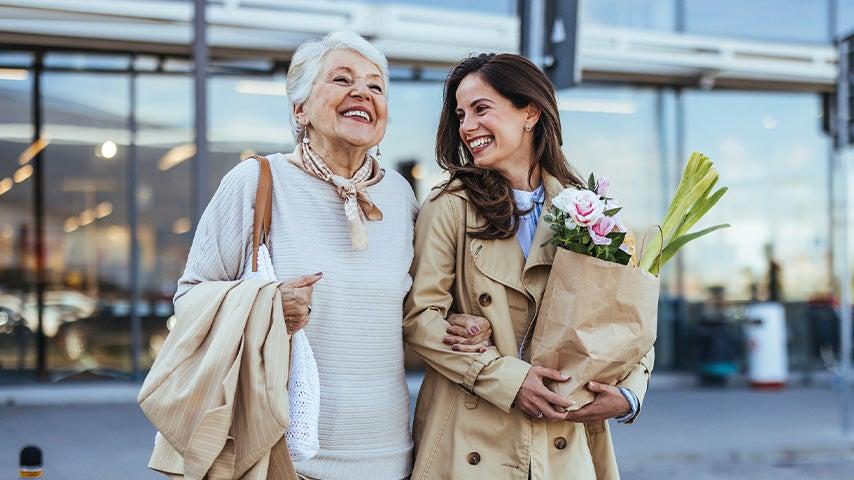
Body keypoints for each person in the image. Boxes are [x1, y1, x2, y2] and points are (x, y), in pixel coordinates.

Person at [174, 31, 487, 480]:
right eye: (341, 79)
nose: (362, 92)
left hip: (389, 457)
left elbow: (416, 311)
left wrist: (456, 324)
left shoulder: (401, 198)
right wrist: (264, 304)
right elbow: (189, 302)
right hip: (278, 458)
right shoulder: (255, 183)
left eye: (376, 86)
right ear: (300, 109)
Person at [404, 53, 655, 479]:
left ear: (530, 112)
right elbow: (418, 319)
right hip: (471, 435)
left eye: (482, 109)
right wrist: (509, 379)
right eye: (460, 114)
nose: (466, 126)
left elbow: (626, 312)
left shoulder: (587, 208)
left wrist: (630, 393)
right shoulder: (449, 207)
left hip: (563, 435)